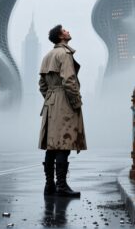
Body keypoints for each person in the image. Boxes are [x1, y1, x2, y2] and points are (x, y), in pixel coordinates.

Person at [38, 25, 87, 197]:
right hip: (64, 101)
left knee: (51, 146)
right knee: (63, 145)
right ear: (60, 36)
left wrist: (50, 98)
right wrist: (75, 102)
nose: (68, 31)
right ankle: (62, 186)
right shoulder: (64, 54)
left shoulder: (47, 56)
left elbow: (42, 85)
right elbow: (69, 80)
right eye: (65, 30)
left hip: (50, 102)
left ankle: (49, 185)